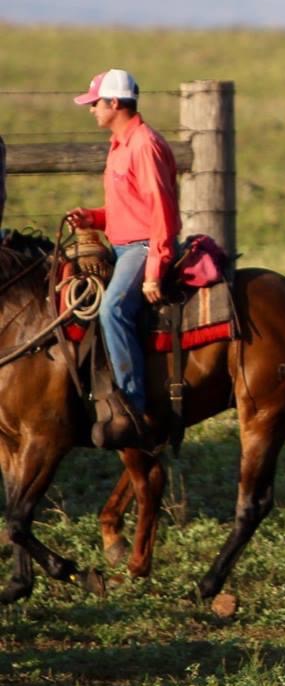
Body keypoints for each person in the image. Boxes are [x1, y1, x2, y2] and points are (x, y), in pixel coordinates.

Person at [63, 68, 180, 448]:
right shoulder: (120, 144)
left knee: (112, 307)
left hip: (143, 246)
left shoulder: (143, 144)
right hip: (124, 242)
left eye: (95, 103)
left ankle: (132, 404)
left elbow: (161, 212)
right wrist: (93, 217)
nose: (91, 109)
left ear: (115, 103)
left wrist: (154, 270)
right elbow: (128, 207)